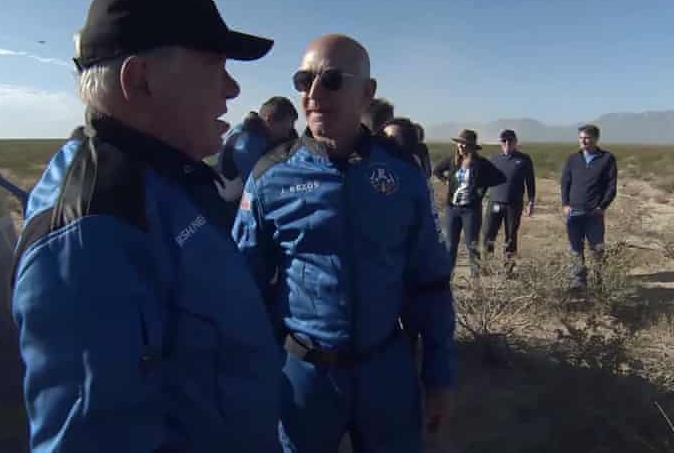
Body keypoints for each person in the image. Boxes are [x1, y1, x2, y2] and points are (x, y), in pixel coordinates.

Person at [11, 0, 282, 452]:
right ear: (139, 81)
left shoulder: (163, 183)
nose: (233, 89)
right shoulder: (91, 234)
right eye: (214, 65)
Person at [233, 34, 455, 453]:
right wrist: (250, 377)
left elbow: (429, 281)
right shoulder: (269, 176)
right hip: (304, 376)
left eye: (331, 79)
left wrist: (440, 377)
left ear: (367, 93)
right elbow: (244, 290)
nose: (313, 94)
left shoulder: (401, 175)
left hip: (386, 371)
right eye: (303, 81)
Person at [433, 129, 505, 278]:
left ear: (471, 146)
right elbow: (437, 170)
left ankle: (475, 280)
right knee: (450, 245)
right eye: (460, 143)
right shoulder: (452, 160)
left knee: (471, 245)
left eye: (464, 144)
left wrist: (481, 187)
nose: (461, 146)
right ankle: (447, 278)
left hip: (471, 210)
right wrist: (446, 181)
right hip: (452, 209)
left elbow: (500, 177)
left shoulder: (480, 163)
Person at [561, 123, 618, 290]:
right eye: (580, 138)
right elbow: (565, 182)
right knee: (575, 249)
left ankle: (599, 282)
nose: (583, 141)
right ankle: (578, 283)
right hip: (574, 212)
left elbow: (611, 186)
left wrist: (602, 206)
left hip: (594, 213)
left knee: (597, 249)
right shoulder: (573, 159)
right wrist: (565, 204)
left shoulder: (607, 158)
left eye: (586, 138)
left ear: (595, 139)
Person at [215, 96, 299, 205]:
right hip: (235, 197)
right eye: (284, 129)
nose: (287, 134)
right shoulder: (246, 145)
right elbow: (259, 190)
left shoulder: (256, 131)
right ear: (269, 120)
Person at [482, 129, 536, 274]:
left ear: (515, 142)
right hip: (494, 202)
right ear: (500, 142)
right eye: (503, 141)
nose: (507, 144)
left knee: (511, 236)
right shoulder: (494, 158)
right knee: (488, 234)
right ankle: (486, 266)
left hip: (514, 204)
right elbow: (486, 180)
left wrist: (531, 201)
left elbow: (530, 181)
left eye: (510, 141)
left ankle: (509, 269)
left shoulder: (524, 159)